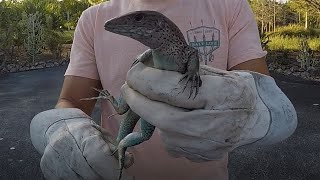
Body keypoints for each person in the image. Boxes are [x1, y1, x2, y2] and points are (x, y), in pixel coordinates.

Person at [30, 0, 297, 180]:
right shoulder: (93, 18)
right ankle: (121, 150)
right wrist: (61, 130)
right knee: (128, 133)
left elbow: (266, 95)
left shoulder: (229, 5)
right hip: (114, 173)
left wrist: (256, 115)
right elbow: (71, 100)